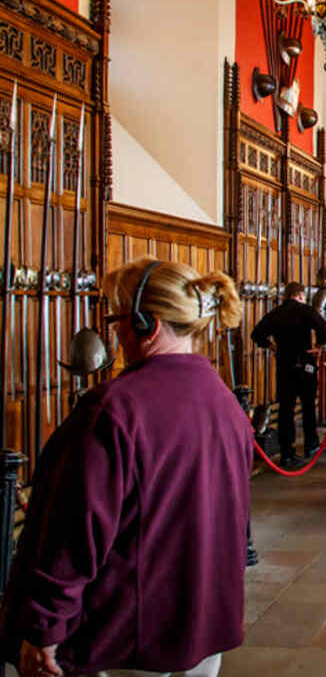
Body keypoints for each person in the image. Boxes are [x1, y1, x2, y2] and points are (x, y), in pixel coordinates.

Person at [0, 258, 249, 677]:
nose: (114, 332)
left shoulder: (114, 409)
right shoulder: (223, 400)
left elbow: (75, 532)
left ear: (144, 324)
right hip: (202, 620)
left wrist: (46, 625)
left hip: (130, 634)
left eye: (115, 318)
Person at [250, 281, 326, 466]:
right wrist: (318, 346)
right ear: (301, 295)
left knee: (286, 409)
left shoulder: (276, 313)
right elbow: (323, 327)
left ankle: (287, 451)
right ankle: (311, 444)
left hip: (284, 365)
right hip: (305, 363)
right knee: (308, 405)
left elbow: (256, 334)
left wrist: (271, 346)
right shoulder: (306, 310)